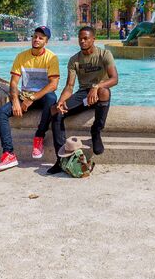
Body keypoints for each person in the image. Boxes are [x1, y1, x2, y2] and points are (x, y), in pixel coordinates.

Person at [47, 26, 119, 174]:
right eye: (80, 38)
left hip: (100, 91)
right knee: (56, 112)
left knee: (104, 92)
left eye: (86, 38)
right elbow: (69, 86)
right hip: (83, 95)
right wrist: (61, 102)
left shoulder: (105, 54)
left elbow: (114, 79)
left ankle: (96, 131)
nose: (82, 41)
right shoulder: (74, 60)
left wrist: (96, 86)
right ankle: (61, 159)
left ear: (93, 39)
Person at [0, 25, 59, 172]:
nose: (36, 39)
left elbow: (53, 85)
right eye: (35, 36)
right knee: (1, 113)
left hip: (41, 97)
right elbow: (14, 82)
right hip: (24, 97)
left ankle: (39, 138)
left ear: (46, 41)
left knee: (51, 98)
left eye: (40, 38)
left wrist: (33, 98)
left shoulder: (51, 57)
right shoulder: (21, 56)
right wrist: (16, 101)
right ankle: (8, 153)